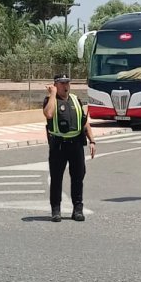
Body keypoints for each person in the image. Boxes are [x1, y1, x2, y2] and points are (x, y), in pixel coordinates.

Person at [42, 74, 96, 222]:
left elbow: (84, 122)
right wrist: (53, 94)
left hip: (76, 144)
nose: (65, 86)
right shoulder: (50, 100)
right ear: (55, 85)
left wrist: (92, 141)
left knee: (78, 177)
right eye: (62, 83)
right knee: (56, 178)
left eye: (67, 83)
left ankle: (77, 209)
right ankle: (56, 210)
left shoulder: (75, 100)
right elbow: (49, 114)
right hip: (58, 145)